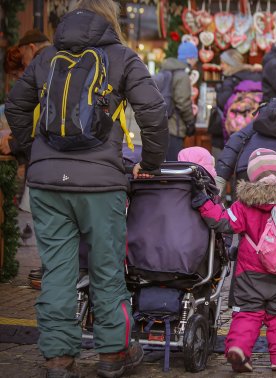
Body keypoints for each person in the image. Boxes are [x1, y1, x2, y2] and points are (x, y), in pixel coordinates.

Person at [5, 1, 169, 377]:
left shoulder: (46, 57)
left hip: (47, 184)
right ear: (110, 20)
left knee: (58, 271)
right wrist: (154, 162)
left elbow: (16, 106)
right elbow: (154, 112)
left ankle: (58, 359)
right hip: (100, 184)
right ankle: (113, 355)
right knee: (107, 269)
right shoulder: (123, 58)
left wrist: (34, 152)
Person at [190, 148, 276, 372]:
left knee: (247, 313)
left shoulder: (245, 204)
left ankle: (239, 348)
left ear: (252, 176)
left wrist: (203, 203)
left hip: (250, 274)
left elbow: (222, 222)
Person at [208, 49, 262, 157]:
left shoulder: (231, 80)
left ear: (230, 64)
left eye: (223, 63)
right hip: (251, 131)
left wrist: (219, 91)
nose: (221, 66)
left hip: (230, 132)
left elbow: (223, 102)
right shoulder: (255, 77)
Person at [161, 41, 197, 160]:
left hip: (163, 124)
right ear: (190, 58)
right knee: (174, 165)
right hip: (175, 128)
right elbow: (183, 103)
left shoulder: (167, 71)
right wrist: (190, 122)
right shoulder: (182, 75)